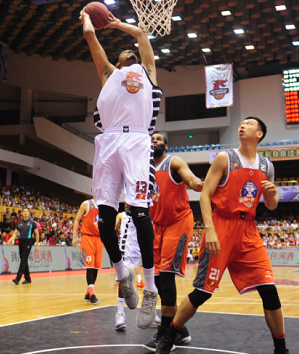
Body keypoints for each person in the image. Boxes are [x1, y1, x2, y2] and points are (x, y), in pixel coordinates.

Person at [156, 117, 286, 354]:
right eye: (242, 122)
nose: (243, 125)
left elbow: (271, 204)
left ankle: (281, 349)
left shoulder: (267, 166)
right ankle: (169, 335)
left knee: (269, 290)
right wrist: (210, 230)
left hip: (248, 231)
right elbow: (205, 195)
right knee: (202, 292)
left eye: (249, 123)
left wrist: (270, 194)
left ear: (259, 134)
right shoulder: (225, 158)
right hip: (221, 225)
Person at [81, 7, 162, 327]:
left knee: (140, 213)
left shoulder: (147, 72)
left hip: (138, 141)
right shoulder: (108, 74)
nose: (130, 52)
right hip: (109, 141)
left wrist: (116, 24)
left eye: (133, 52)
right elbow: (90, 35)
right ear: (117, 62)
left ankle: (151, 289)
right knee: (104, 217)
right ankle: (121, 274)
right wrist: (87, 17)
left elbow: (141, 35)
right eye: (124, 53)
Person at [143, 133, 203, 350]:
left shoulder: (173, 162)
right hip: (157, 225)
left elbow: (190, 178)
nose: (154, 141)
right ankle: (181, 331)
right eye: (152, 139)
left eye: (159, 139)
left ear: (166, 146)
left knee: (167, 276)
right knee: (157, 278)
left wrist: (197, 184)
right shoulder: (145, 168)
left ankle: (165, 334)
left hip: (177, 222)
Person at [114, 208, 144, 331]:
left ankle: (150, 311)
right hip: (125, 249)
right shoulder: (121, 215)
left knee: (153, 279)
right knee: (123, 278)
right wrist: (117, 225)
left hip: (139, 248)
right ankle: (120, 313)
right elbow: (115, 225)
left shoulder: (143, 213)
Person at [72, 199, 103, 305]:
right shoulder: (86, 204)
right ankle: (92, 293)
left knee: (96, 267)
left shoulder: (104, 205)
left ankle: (88, 293)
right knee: (89, 265)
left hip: (99, 238)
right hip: (88, 237)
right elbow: (77, 220)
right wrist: (74, 237)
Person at [8, 209, 39, 285]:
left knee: (23, 260)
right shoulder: (19, 223)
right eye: (24, 211)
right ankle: (28, 279)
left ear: (29, 213)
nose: (25, 212)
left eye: (26, 211)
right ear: (22, 213)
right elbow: (15, 232)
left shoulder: (32, 222)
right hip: (21, 242)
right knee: (24, 260)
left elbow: (37, 234)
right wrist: (12, 239)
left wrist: (37, 245)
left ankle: (17, 278)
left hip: (28, 242)